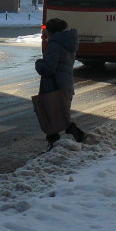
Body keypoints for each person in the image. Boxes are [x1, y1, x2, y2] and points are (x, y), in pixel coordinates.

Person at [34, 17, 86, 149]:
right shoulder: (68, 42)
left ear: (50, 31)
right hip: (65, 85)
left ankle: (54, 145)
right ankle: (76, 134)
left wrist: (38, 63)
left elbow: (48, 69)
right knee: (60, 114)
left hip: (53, 86)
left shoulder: (55, 45)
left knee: (50, 115)